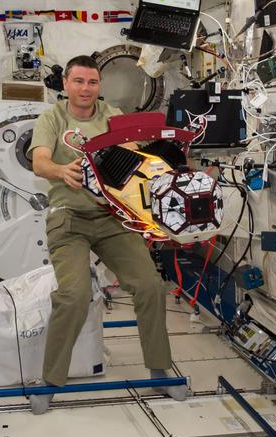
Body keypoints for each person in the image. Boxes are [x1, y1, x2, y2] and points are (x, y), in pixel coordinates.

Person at [28, 54, 186, 414]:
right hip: (69, 218)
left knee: (150, 285)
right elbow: (39, 161)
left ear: (99, 85)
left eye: (92, 82)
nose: (86, 89)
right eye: (79, 81)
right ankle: (50, 380)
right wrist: (60, 171)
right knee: (74, 294)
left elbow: (139, 156)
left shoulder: (112, 116)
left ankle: (159, 369)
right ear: (66, 84)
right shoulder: (52, 118)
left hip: (113, 219)